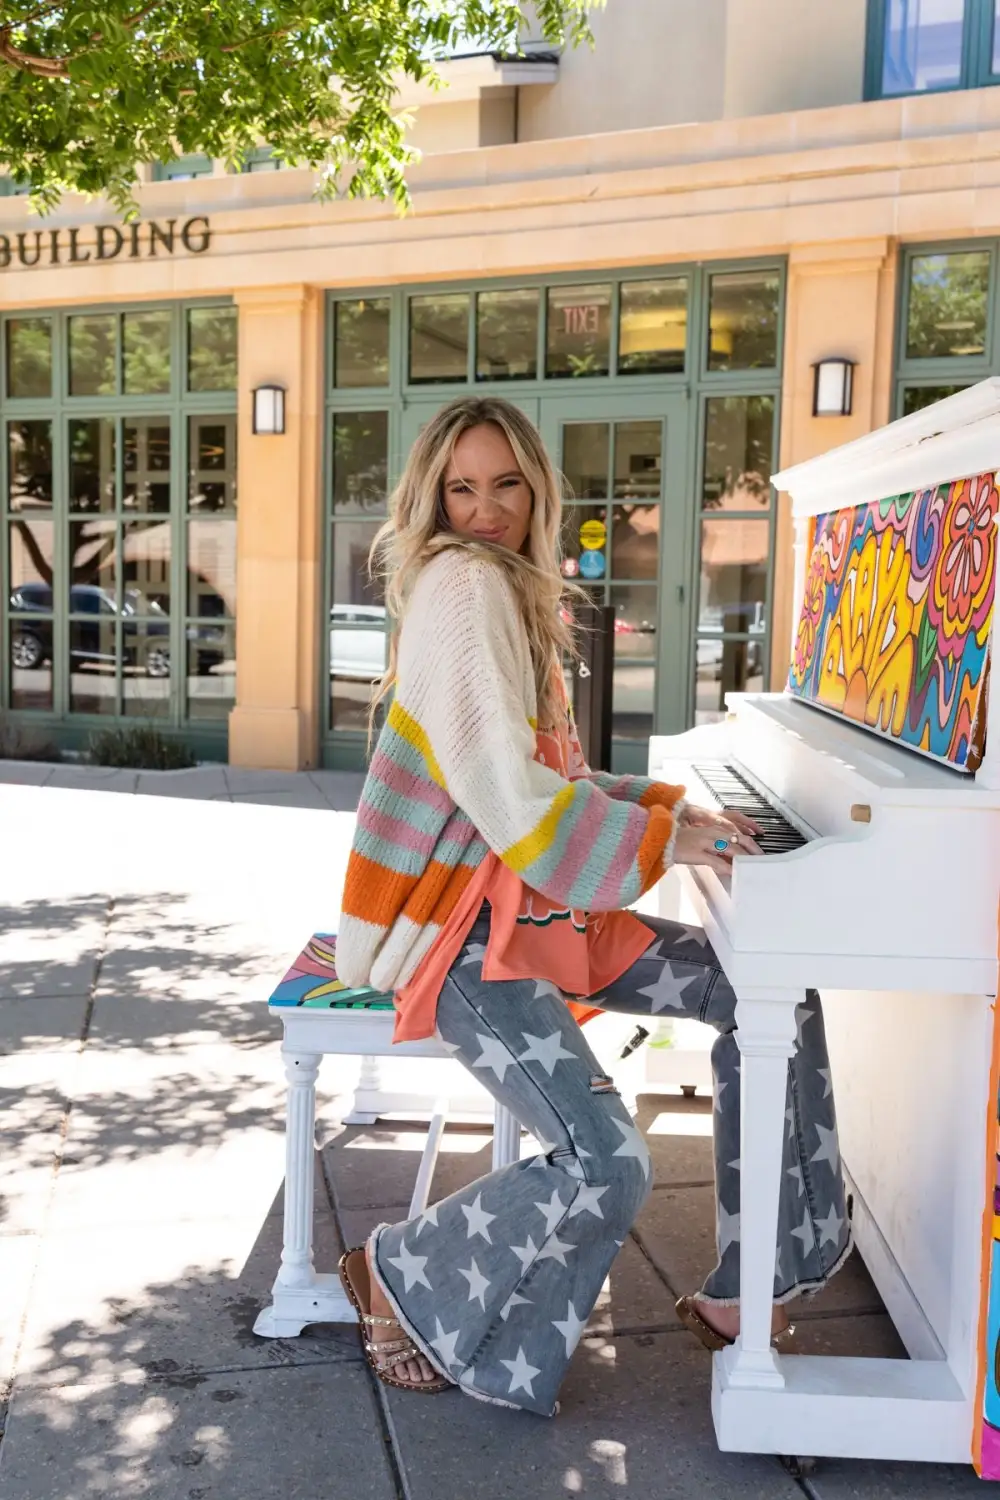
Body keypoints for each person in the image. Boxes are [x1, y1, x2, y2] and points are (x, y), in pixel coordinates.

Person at [335, 396, 850, 1416]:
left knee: (768, 997)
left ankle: (755, 1286)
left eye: (505, 485)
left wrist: (669, 811)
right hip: (472, 940)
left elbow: (548, 776)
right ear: (433, 498)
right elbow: (509, 797)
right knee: (607, 1165)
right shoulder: (464, 587)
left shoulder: (513, 589)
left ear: (537, 489)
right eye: (461, 488)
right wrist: (664, 833)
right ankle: (389, 1270)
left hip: (543, 915)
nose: (484, 510)